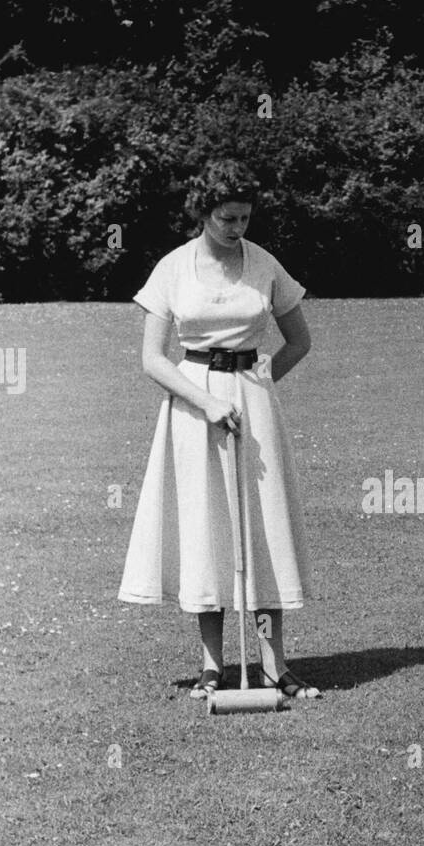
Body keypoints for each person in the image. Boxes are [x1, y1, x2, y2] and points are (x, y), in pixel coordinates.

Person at [118, 157, 321, 700]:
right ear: (204, 213)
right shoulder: (173, 268)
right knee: (206, 527)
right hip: (192, 405)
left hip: (253, 406)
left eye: (245, 219)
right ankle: (212, 667)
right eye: (228, 218)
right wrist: (207, 401)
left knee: (264, 526)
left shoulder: (265, 265)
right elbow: (151, 358)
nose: (238, 229)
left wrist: (260, 384)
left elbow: (298, 340)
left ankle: (277, 668)